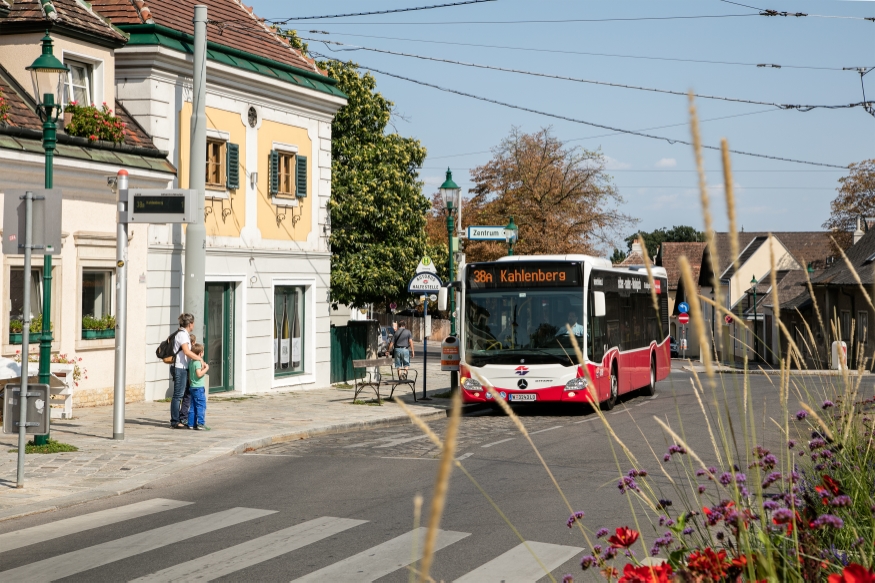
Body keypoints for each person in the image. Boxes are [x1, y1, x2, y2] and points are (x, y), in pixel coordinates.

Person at [169, 313, 202, 429]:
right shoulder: (182, 335)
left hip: (183, 367)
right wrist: (199, 358)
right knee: (178, 395)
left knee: (185, 394)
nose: (193, 325)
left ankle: (182, 417)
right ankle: (174, 420)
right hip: (179, 367)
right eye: (193, 323)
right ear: (190, 324)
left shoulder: (184, 334)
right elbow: (186, 352)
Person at [188, 343, 210, 430]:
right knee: (201, 405)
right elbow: (199, 374)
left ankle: (191, 423)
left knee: (193, 405)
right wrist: (206, 368)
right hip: (198, 387)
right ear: (200, 353)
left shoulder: (192, 362)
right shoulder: (197, 362)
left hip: (193, 386)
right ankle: (201, 423)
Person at [179, 333, 196, 427]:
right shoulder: (190, 353)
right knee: (187, 396)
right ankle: (184, 417)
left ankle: (183, 416)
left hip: (184, 373)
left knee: (185, 396)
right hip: (189, 378)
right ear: (192, 343)